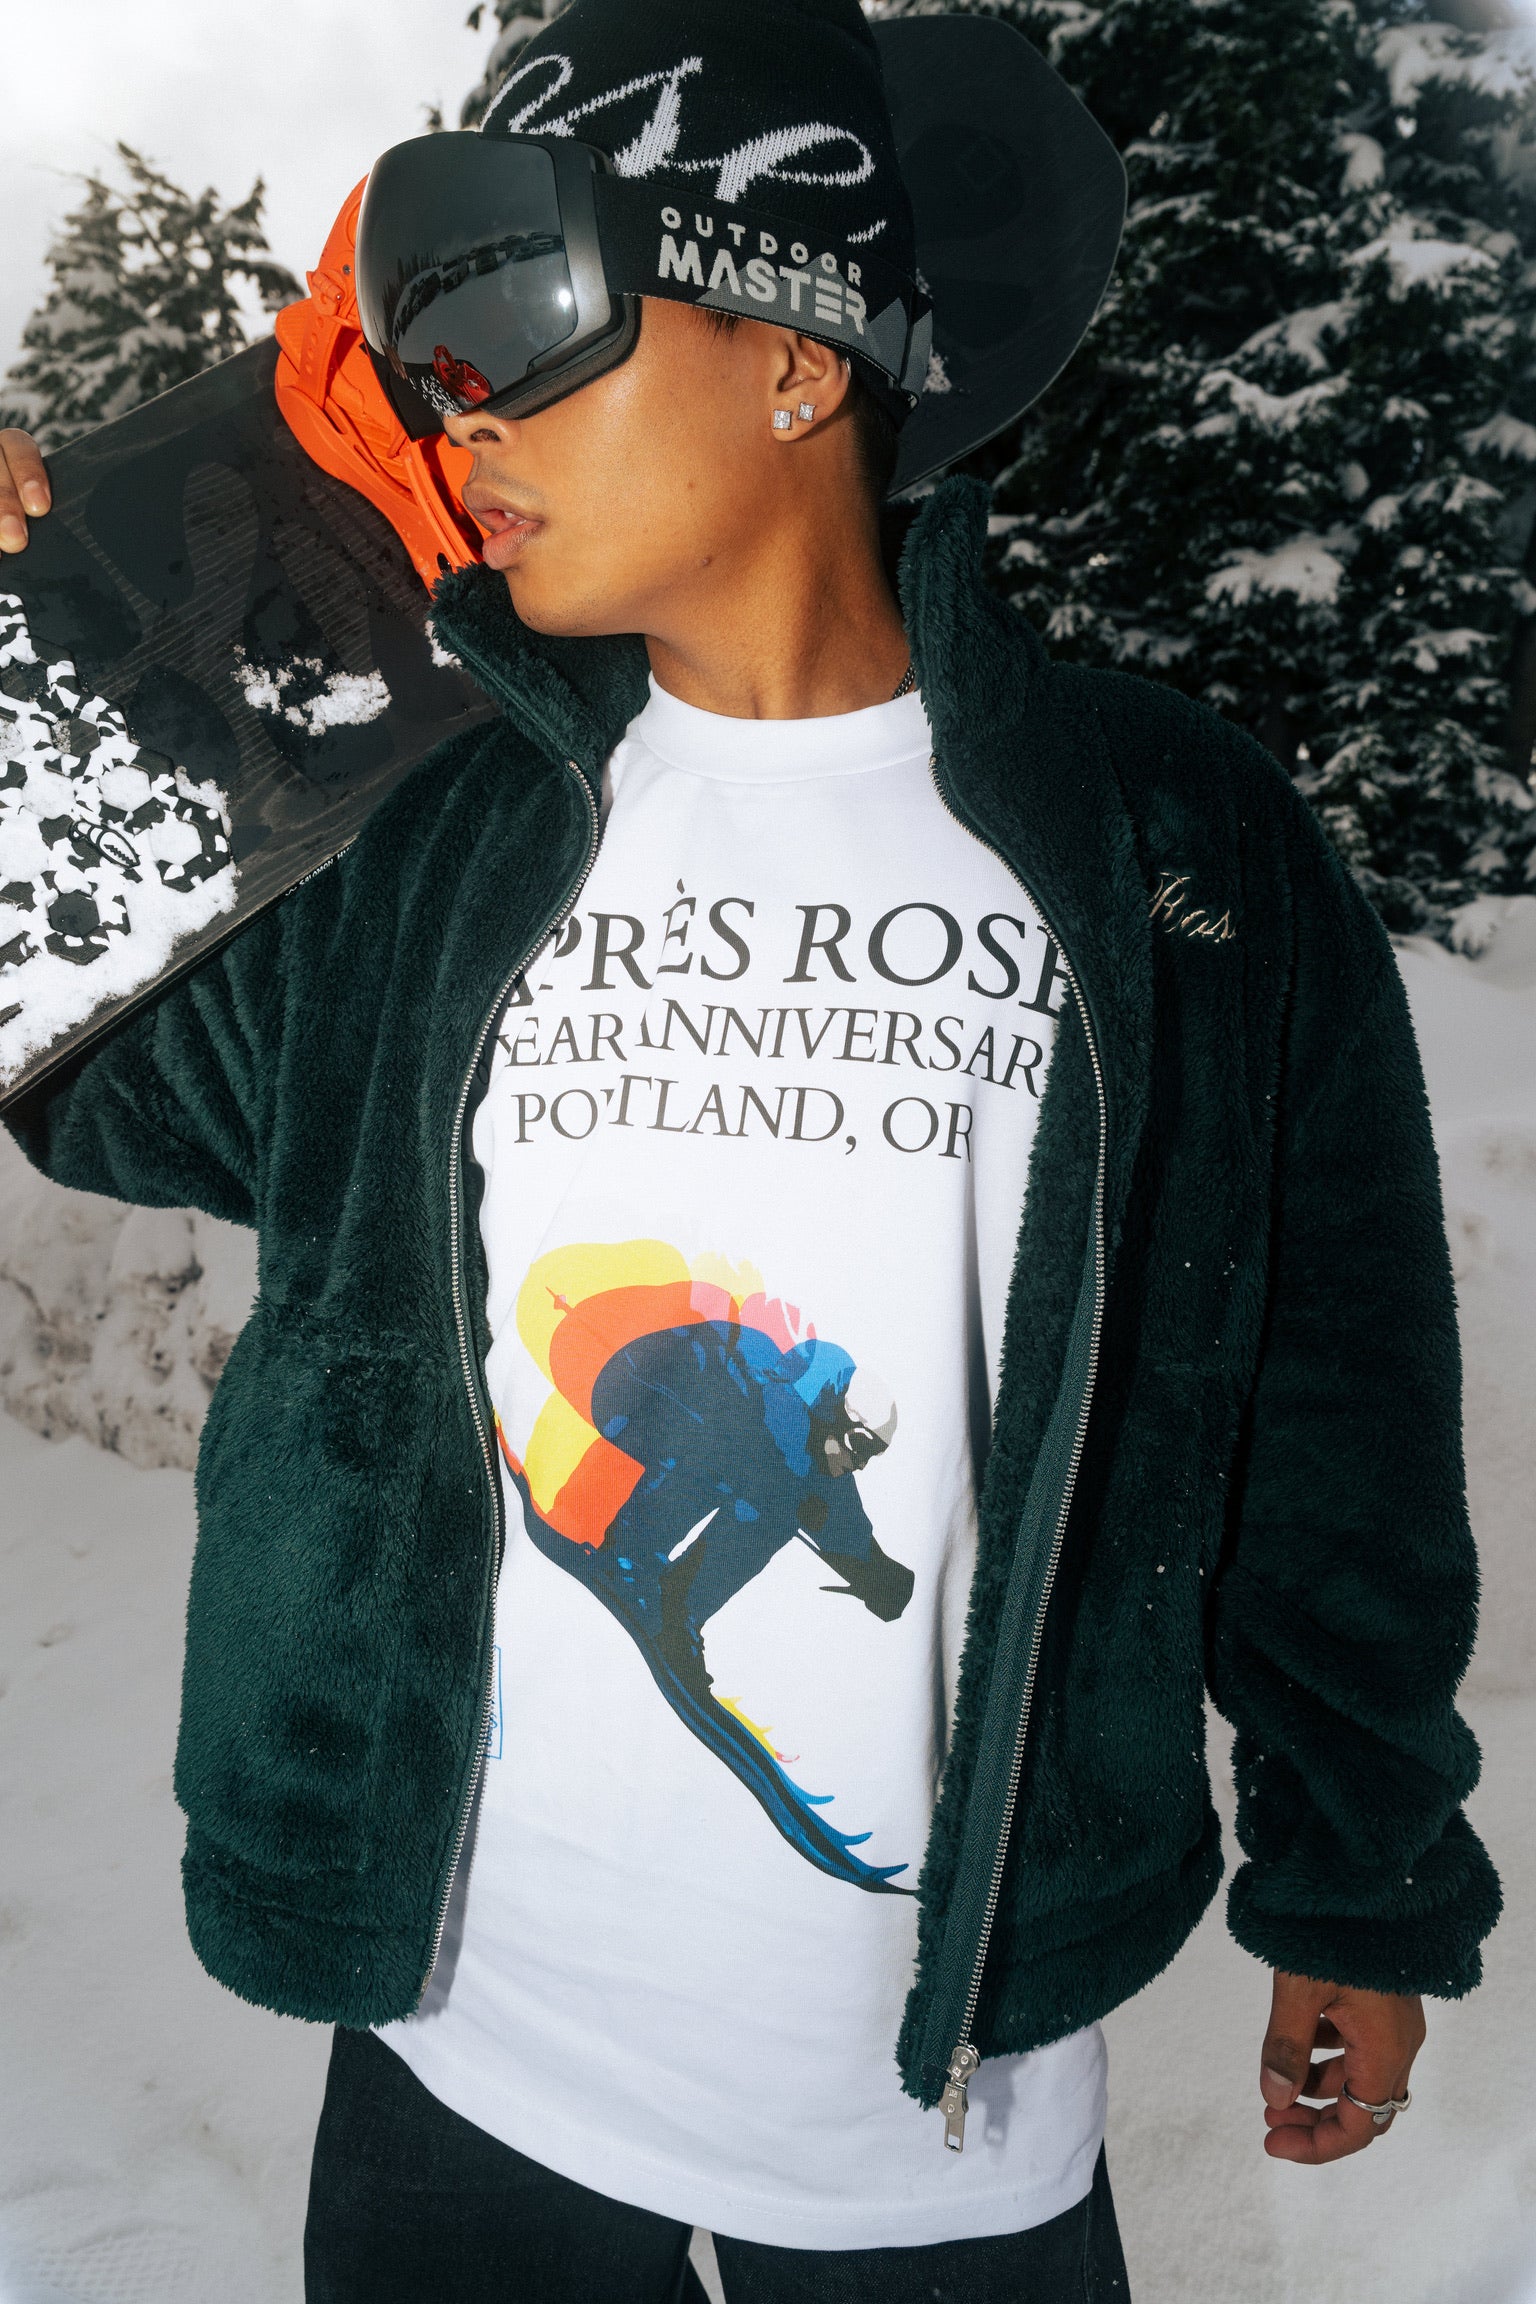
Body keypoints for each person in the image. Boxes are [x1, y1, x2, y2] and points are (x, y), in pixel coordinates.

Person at [0, 1, 1501, 2298]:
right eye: (428, 354)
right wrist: (32, 691)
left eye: (521, 315)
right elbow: (95, 1076)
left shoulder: (1165, 843)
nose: (460, 410)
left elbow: (1334, 1403)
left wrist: (1361, 1876)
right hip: (462, 2051)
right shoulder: (445, 840)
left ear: (799, 353)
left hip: (937, 2120)